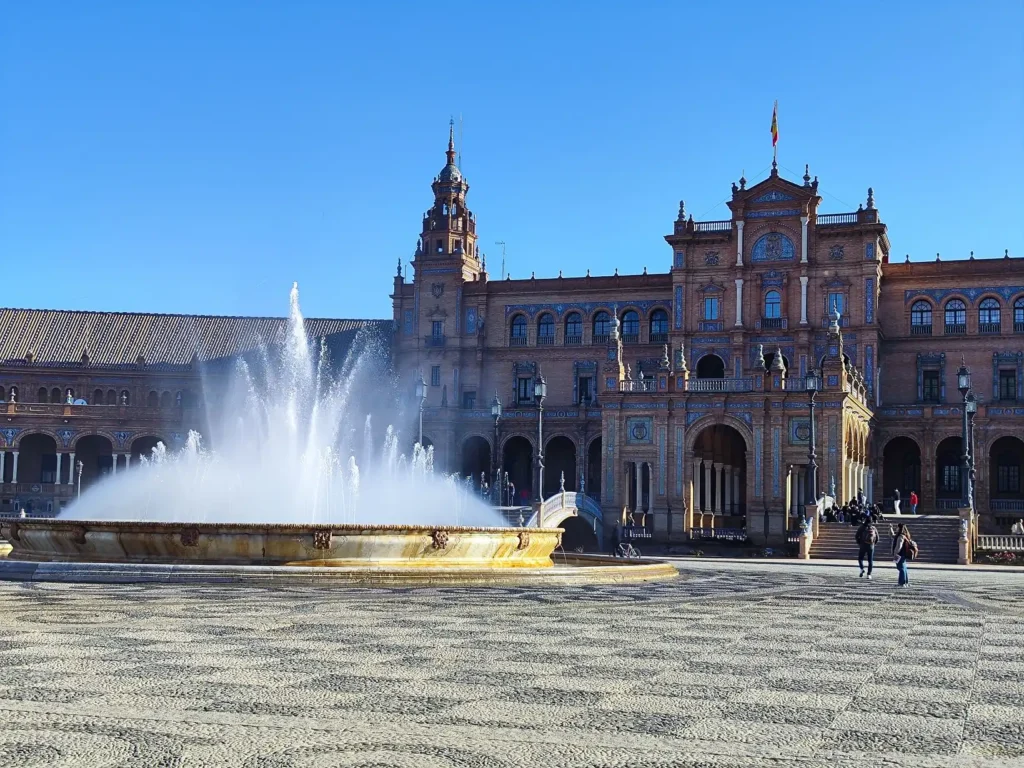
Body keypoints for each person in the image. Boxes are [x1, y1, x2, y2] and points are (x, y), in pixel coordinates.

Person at [891, 523, 915, 587]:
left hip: (899, 555)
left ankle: (901, 583)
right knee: (904, 568)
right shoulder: (904, 535)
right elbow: (892, 535)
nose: (896, 528)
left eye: (897, 527)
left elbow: (899, 546)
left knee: (900, 568)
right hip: (903, 554)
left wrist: (895, 554)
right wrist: (890, 528)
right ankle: (905, 582)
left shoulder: (900, 536)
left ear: (899, 528)